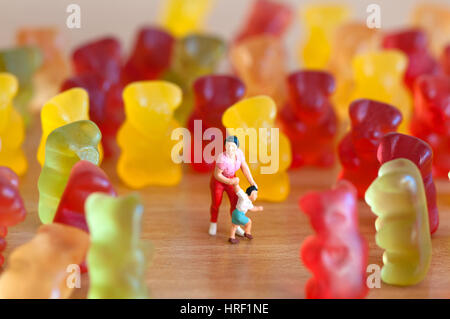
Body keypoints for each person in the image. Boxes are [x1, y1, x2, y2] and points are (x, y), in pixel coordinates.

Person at [209, 135, 258, 236]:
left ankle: (236, 225)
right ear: (225, 146)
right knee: (216, 203)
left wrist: (252, 182)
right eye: (228, 146)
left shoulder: (239, 154)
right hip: (219, 182)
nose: (230, 149)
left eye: (233, 146)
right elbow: (217, 174)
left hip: (232, 180)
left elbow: (244, 167)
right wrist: (229, 181)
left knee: (235, 203)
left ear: (237, 147)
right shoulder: (222, 158)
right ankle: (213, 222)